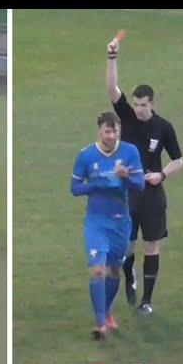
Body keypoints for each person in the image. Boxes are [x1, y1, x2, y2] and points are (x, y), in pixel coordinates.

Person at [106, 34, 183, 314]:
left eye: (143, 105)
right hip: (127, 193)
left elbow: (179, 160)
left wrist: (161, 175)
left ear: (152, 103)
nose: (138, 109)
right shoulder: (125, 117)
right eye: (136, 104)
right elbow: (112, 88)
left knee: (151, 247)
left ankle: (147, 302)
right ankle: (130, 276)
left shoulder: (164, 128)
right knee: (125, 249)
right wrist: (112, 57)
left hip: (152, 194)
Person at [71, 112, 145, 340]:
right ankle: (100, 322)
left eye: (114, 131)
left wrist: (125, 178)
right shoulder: (86, 156)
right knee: (97, 270)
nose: (111, 136)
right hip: (96, 222)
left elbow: (140, 185)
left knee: (114, 270)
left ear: (119, 130)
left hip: (121, 223)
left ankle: (108, 312)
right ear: (99, 131)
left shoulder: (130, 152)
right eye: (107, 131)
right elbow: (74, 188)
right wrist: (96, 184)